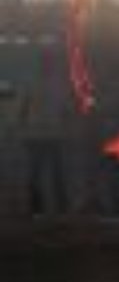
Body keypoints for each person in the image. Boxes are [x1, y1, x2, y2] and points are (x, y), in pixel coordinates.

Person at [18, 43, 72, 217]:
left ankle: (37, 207)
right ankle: (60, 206)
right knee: (56, 171)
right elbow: (66, 111)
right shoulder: (59, 84)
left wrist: (22, 128)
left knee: (37, 172)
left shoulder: (30, 81)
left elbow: (23, 109)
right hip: (52, 133)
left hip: (36, 133)